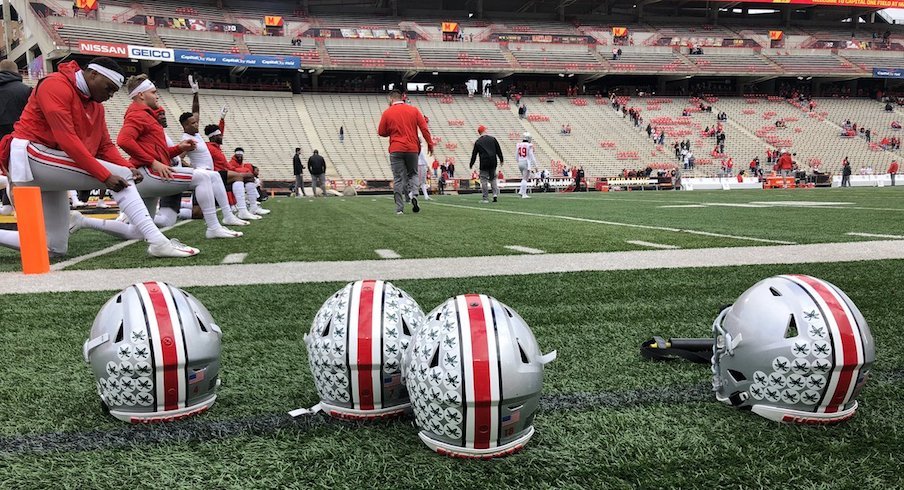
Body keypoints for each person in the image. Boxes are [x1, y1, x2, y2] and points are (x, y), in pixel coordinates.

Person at [0, 57, 197, 258]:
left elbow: (104, 145)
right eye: (109, 88)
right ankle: (158, 241)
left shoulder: (95, 106)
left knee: (53, 248)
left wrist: (126, 165)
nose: (111, 95)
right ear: (93, 74)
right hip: (28, 154)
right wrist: (105, 175)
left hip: (46, 160)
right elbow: (67, 139)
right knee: (118, 175)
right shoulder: (55, 84)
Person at [106, 74, 241, 240]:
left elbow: (159, 153)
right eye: (154, 92)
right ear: (141, 94)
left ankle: (82, 221)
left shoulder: (146, 115)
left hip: (146, 174)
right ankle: (214, 227)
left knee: (138, 232)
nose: (157, 96)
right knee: (205, 177)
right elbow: (123, 140)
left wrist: (179, 148)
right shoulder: (138, 114)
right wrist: (154, 163)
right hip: (146, 173)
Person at [177, 78, 250, 225]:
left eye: (196, 122)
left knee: (200, 212)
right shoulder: (187, 140)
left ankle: (229, 214)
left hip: (209, 175)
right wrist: (192, 169)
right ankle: (174, 210)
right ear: (185, 126)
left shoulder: (195, 132)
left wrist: (195, 93)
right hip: (203, 175)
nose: (197, 124)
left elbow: (196, 111)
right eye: (193, 123)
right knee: (198, 213)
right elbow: (178, 158)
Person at [377, 89, 433, 215]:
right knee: (413, 174)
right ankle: (414, 195)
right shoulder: (414, 110)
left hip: (396, 148)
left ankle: (399, 208)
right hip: (412, 148)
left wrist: (392, 131)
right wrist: (430, 144)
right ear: (402, 98)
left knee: (398, 178)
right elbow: (424, 128)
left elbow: (381, 132)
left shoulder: (387, 112)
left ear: (391, 99)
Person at [0, 60, 32, 213]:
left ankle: (5, 203)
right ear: (16, 72)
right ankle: (12, 204)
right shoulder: (26, 90)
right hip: (18, 136)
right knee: (16, 170)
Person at [469, 125, 504, 203]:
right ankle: (495, 194)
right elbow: (498, 150)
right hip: (493, 161)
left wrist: (471, 163)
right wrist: (501, 159)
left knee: (484, 179)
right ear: (484, 131)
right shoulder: (493, 139)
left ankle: (485, 198)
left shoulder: (478, 141)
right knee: (493, 178)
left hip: (484, 162)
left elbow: (474, 154)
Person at [516, 132, 538, 198]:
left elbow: (516, 155)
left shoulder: (518, 144)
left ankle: (521, 191)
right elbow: (531, 156)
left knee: (524, 178)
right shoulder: (529, 145)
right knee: (525, 178)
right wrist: (536, 166)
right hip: (525, 162)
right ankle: (524, 194)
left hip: (520, 162)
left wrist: (519, 160)